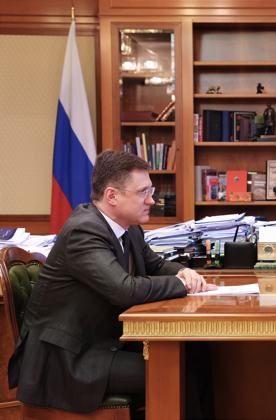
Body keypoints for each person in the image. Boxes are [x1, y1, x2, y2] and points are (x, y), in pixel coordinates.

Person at [8, 150, 217, 418]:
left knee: (197, 352)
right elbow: (124, 290)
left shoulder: (129, 227)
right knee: (177, 371)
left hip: (102, 340)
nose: (151, 200)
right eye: (143, 192)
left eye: (151, 191)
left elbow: (154, 266)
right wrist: (182, 285)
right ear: (112, 196)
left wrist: (185, 272)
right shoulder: (84, 230)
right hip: (68, 359)